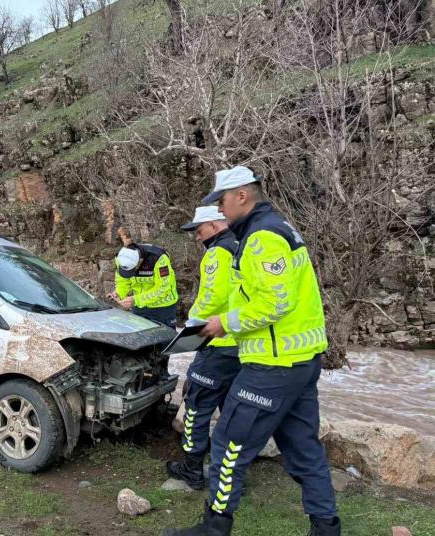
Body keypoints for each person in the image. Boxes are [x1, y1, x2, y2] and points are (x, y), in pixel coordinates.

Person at [164, 166, 339, 536]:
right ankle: (326, 527)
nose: (220, 209)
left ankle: (215, 528)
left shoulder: (262, 238)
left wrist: (224, 324)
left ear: (241, 195)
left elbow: (276, 302)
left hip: (272, 365)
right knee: (304, 449)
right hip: (301, 361)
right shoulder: (279, 228)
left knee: (228, 445)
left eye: (222, 201)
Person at [166, 206, 241, 490]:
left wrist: (191, 322)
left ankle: (191, 470)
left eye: (199, 230)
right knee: (232, 414)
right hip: (242, 346)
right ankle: (230, 476)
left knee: (196, 407)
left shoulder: (218, 252)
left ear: (214, 225)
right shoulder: (243, 245)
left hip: (216, 344)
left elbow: (213, 297)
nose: (197, 237)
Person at [111, 242, 178, 327]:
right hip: (140, 306)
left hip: (163, 307)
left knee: (165, 335)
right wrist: (118, 293)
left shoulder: (159, 258)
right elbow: (123, 281)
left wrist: (135, 300)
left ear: (140, 261)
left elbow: (163, 288)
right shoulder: (121, 258)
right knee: (139, 333)